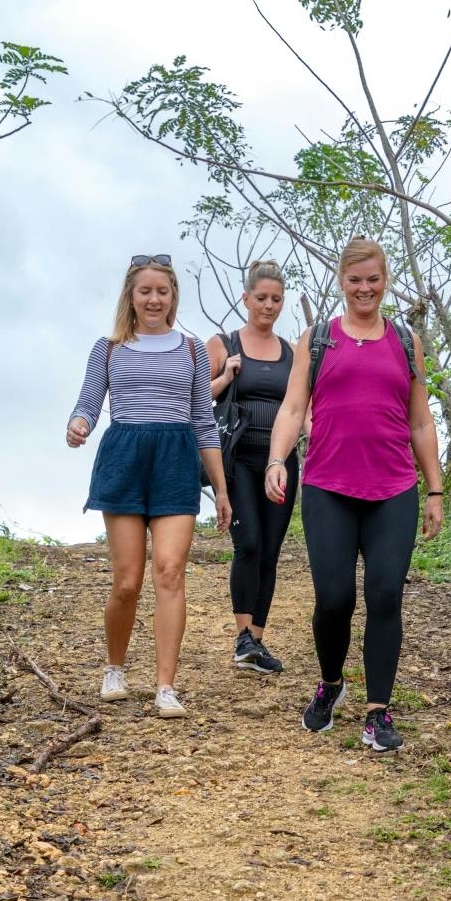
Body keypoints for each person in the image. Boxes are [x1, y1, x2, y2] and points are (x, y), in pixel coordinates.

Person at [264, 235, 445, 753]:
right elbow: (293, 408)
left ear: (385, 280)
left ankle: (378, 711)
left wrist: (434, 489)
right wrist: (277, 459)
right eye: (355, 280)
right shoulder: (318, 339)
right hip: (328, 487)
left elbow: (420, 420)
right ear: (342, 282)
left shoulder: (405, 341)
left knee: (386, 595)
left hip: (393, 489)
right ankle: (331, 682)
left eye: (373, 279)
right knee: (334, 599)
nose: (365, 289)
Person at [66, 254, 228, 719]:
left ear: (173, 296)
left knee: (170, 572)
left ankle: (165, 687)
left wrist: (221, 489)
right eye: (145, 291)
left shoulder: (193, 350)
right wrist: (78, 425)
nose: (154, 299)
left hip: (175, 462)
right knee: (127, 581)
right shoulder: (109, 348)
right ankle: (114, 668)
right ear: (131, 297)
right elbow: (88, 403)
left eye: (162, 291)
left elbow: (204, 422)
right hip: (124, 459)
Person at [206, 259, 294, 675]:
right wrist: (226, 376)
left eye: (276, 299)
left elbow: (300, 407)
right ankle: (242, 635)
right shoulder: (223, 343)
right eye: (261, 298)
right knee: (250, 544)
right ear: (246, 299)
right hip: (237, 459)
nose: (268, 306)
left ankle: (255, 641)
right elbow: (197, 396)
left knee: (270, 551)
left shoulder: (292, 352)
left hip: (280, 462)